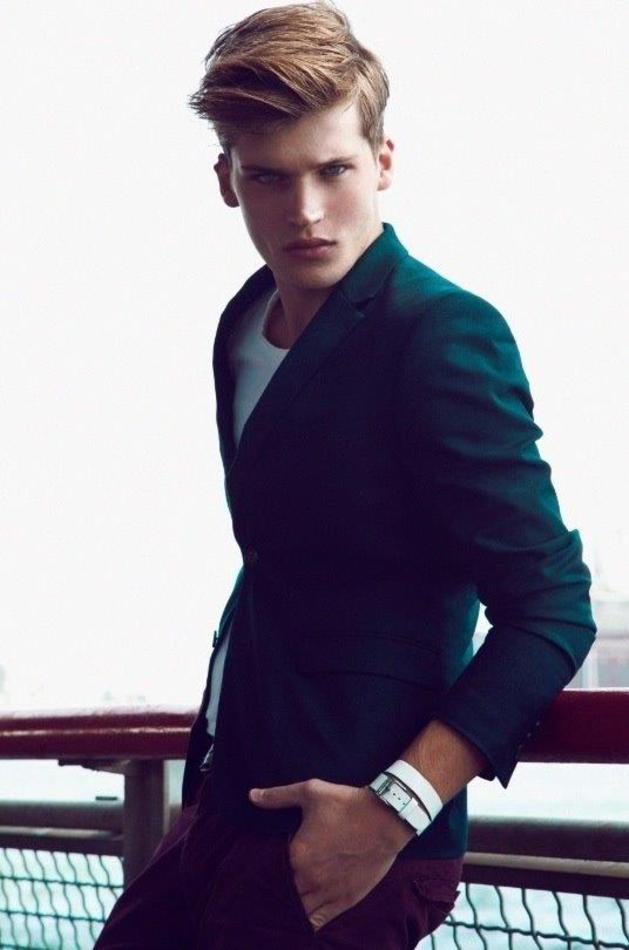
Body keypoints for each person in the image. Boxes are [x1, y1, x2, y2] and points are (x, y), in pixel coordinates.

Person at [95, 2, 596, 947]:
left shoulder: (439, 334)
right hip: (224, 808)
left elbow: (552, 608)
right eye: (269, 177)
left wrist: (393, 808)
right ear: (226, 180)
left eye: (333, 170)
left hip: (348, 836)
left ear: (383, 162)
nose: (306, 211)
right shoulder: (243, 326)